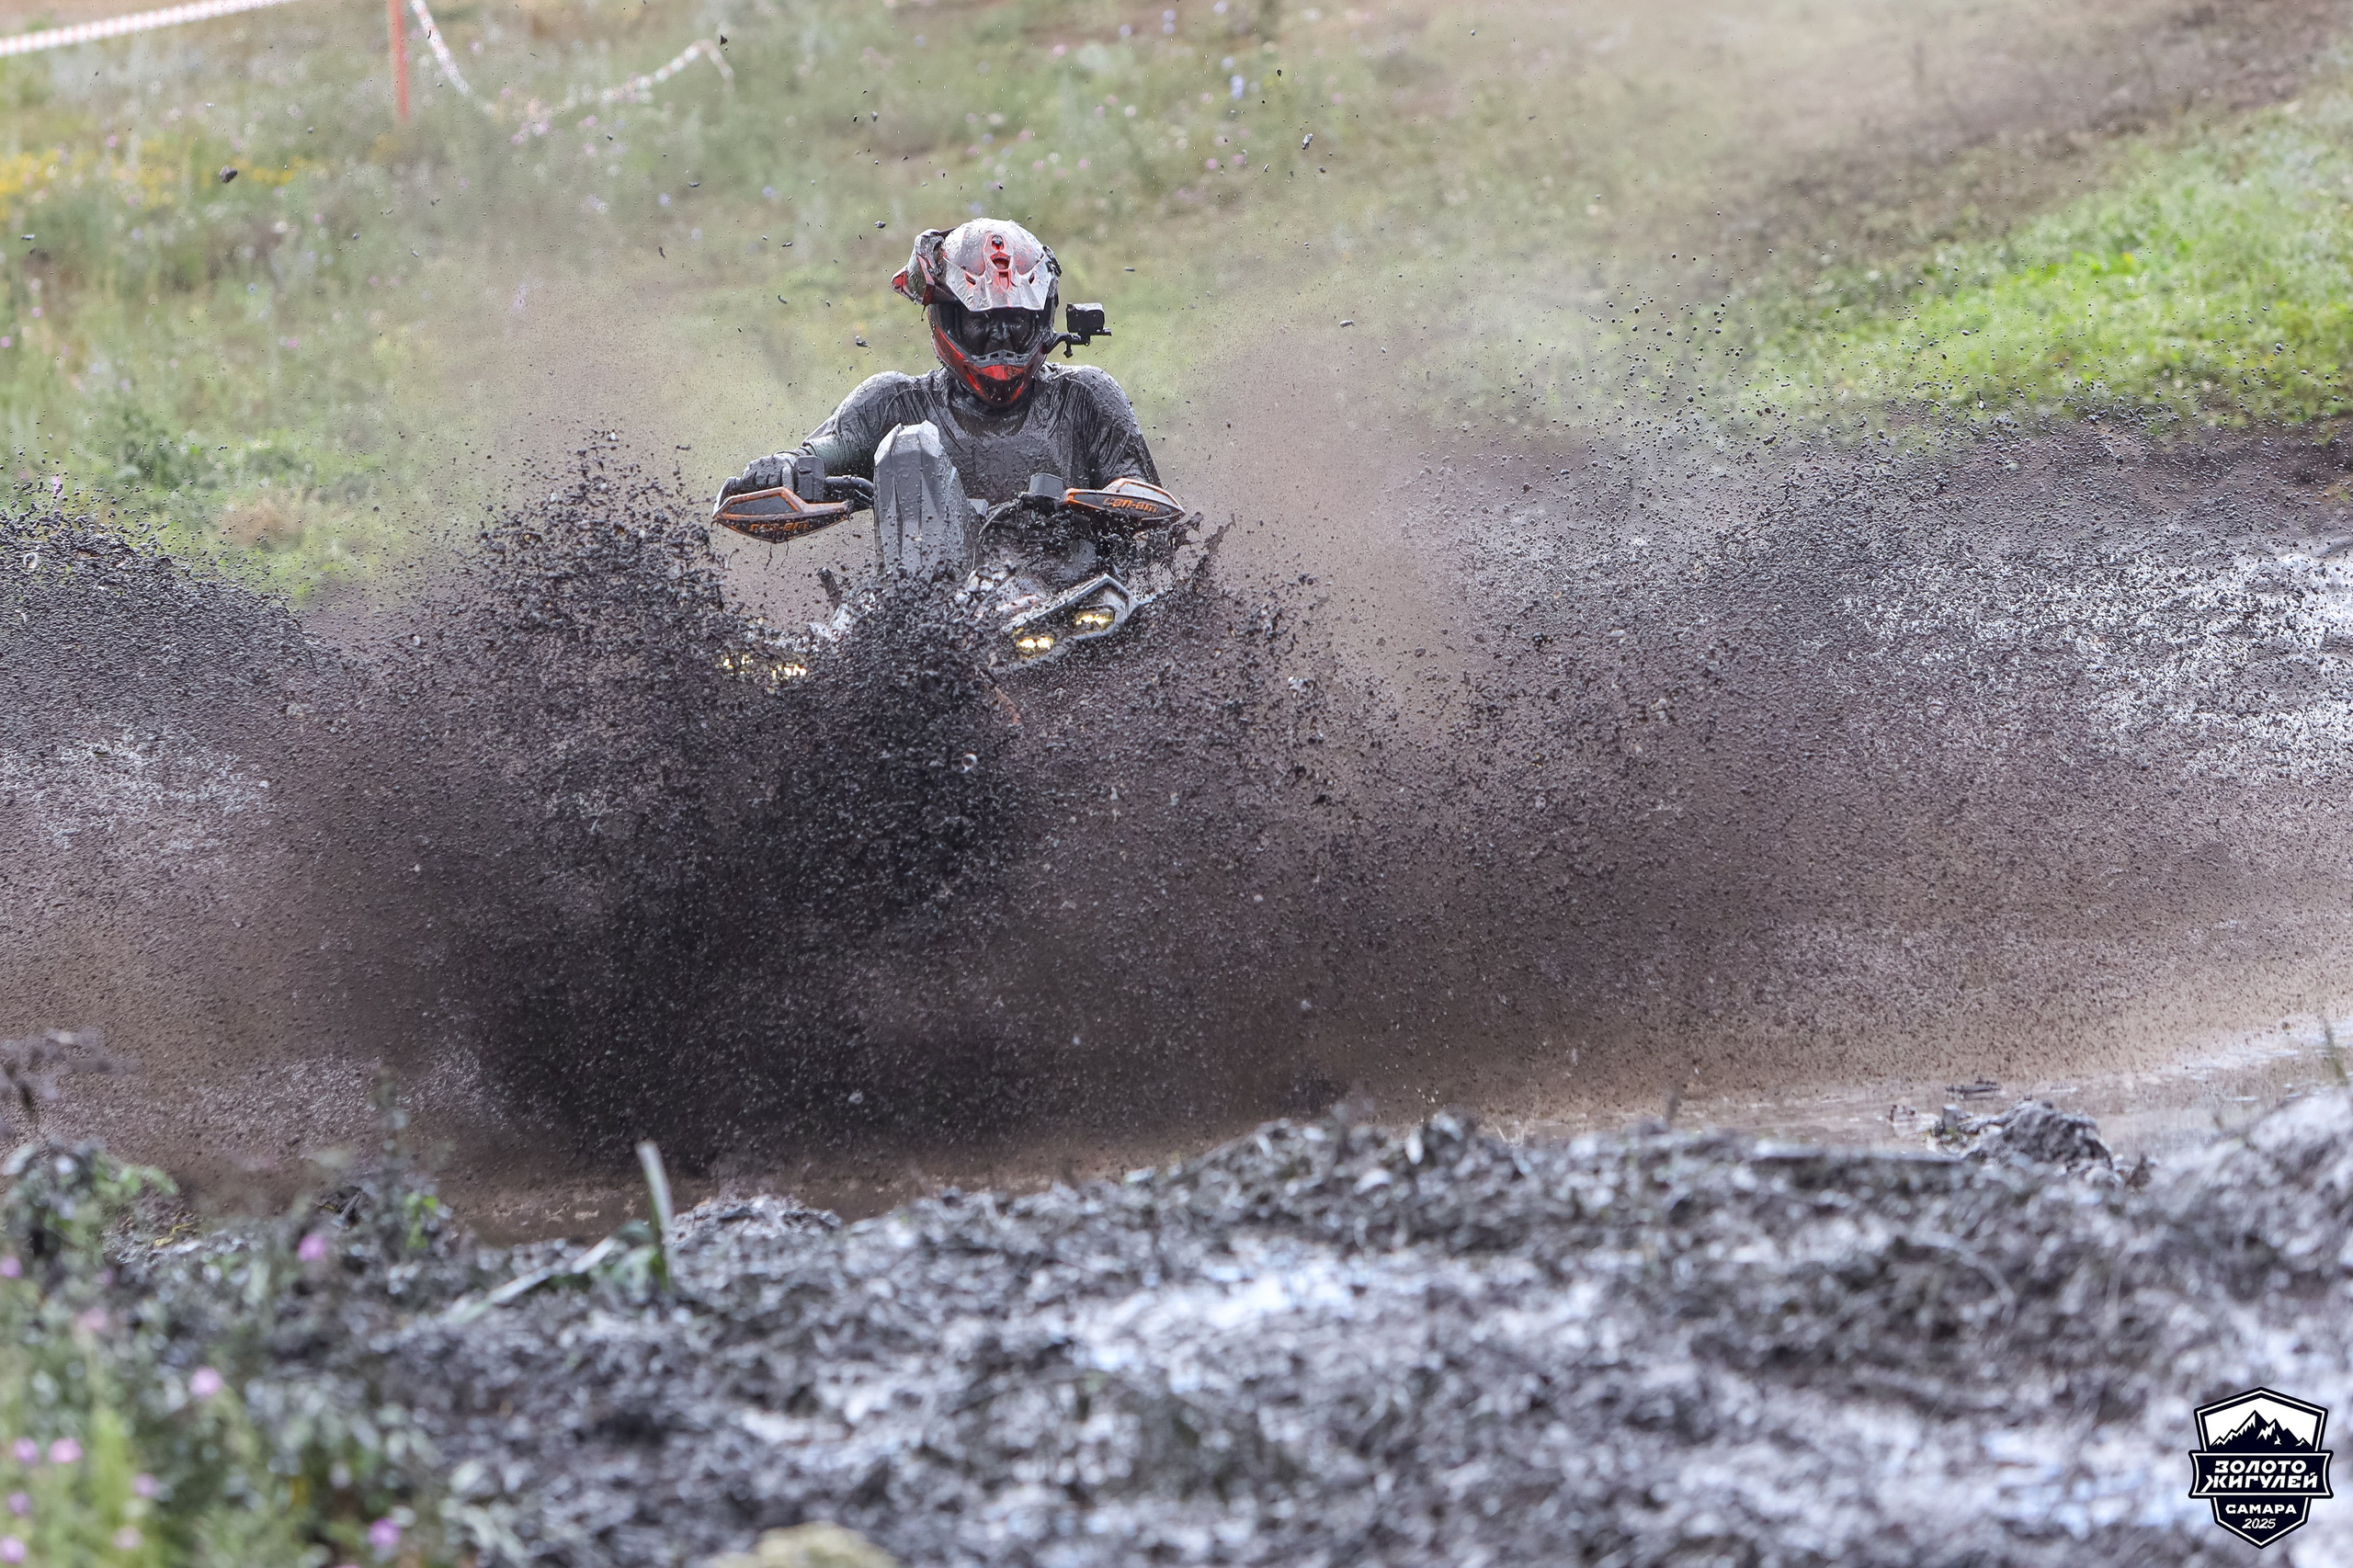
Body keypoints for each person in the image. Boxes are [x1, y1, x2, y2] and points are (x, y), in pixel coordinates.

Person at [719, 219, 1162, 520]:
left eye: (1016, 322)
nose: (1000, 341)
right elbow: (826, 450)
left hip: (1072, 600)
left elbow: (1146, 502)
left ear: (1042, 319)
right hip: (920, 614)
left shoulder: (1085, 397)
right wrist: (785, 468)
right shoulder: (894, 403)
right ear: (945, 319)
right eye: (981, 322)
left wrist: (1122, 499)